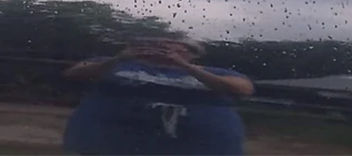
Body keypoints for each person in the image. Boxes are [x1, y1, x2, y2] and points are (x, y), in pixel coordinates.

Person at [62, 37, 253, 156]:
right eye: (157, 45)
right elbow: (75, 73)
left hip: (197, 149)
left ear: (193, 54)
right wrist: (120, 58)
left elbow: (241, 89)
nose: (162, 49)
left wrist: (184, 67)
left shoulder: (215, 71)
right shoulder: (116, 64)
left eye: (174, 47)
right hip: (110, 145)